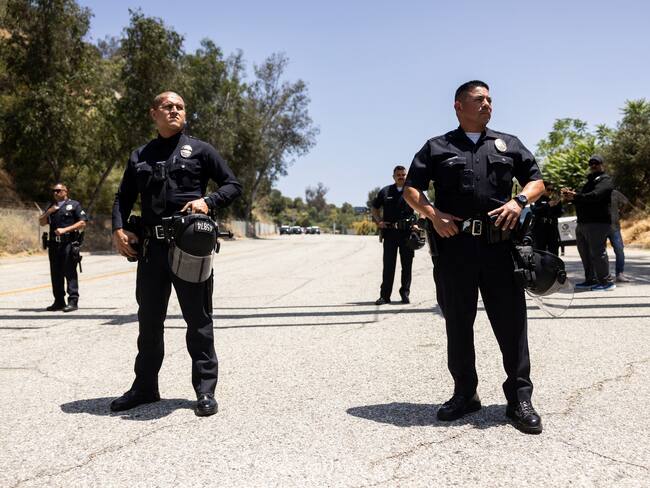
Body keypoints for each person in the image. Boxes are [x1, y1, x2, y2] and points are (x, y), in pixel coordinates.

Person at [403, 80, 545, 434]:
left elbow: (536, 182)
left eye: (490, 99)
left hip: (500, 248)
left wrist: (519, 201)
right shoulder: (437, 147)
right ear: (458, 105)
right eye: (479, 99)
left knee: (512, 324)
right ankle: (465, 394)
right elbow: (411, 189)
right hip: (455, 249)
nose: (487, 104)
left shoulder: (508, 144)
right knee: (458, 323)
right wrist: (433, 215)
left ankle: (519, 399)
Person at [110, 91, 242, 416]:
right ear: (153, 113)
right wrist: (118, 229)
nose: (174, 111)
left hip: (190, 248)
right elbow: (123, 197)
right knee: (149, 322)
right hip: (151, 251)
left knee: (198, 321)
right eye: (168, 106)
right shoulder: (140, 155)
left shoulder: (201, 150)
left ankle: (205, 390)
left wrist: (207, 201)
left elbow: (232, 185)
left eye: (180, 107)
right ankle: (145, 387)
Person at [561, 155, 615, 291]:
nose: (593, 166)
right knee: (585, 254)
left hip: (597, 223)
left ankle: (606, 282)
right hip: (583, 223)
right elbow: (583, 199)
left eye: (596, 163)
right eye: (591, 164)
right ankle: (591, 280)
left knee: (598, 253)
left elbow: (596, 196)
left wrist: (576, 196)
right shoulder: (589, 182)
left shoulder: (605, 180)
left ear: (602, 164)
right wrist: (571, 197)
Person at [371, 166, 416, 305]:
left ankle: (405, 294)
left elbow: (422, 207)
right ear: (394, 176)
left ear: (406, 175)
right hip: (390, 233)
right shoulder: (385, 191)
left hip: (407, 233)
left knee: (407, 265)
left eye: (403, 174)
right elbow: (374, 208)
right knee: (388, 266)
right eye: (398, 175)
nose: (401, 177)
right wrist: (379, 221)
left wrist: (418, 223)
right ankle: (385, 296)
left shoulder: (412, 190)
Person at [38, 183, 87, 312]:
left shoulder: (74, 205)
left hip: (68, 244)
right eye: (53, 191)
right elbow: (41, 222)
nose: (55, 193)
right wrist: (49, 212)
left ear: (65, 191)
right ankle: (59, 301)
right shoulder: (51, 206)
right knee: (55, 273)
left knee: (69, 272)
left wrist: (65, 230)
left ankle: (73, 301)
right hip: (54, 245)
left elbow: (82, 222)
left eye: (58, 190)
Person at [530, 183, 563, 255]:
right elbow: (535, 210)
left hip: (552, 227)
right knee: (540, 250)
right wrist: (547, 205)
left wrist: (558, 204)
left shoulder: (551, 200)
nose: (550, 192)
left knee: (554, 249)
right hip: (540, 228)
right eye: (548, 189)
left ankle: (553, 262)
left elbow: (559, 213)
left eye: (552, 190)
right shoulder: (536, 199)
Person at [608, 189, 631, 282]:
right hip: (600, 227)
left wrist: (620, 212)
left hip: (614, 227)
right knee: (600, 252)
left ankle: (619, 274)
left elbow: (626, 202)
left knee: (619, 250)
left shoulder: (614, 192)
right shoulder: (597, 192)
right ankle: (603, 275)